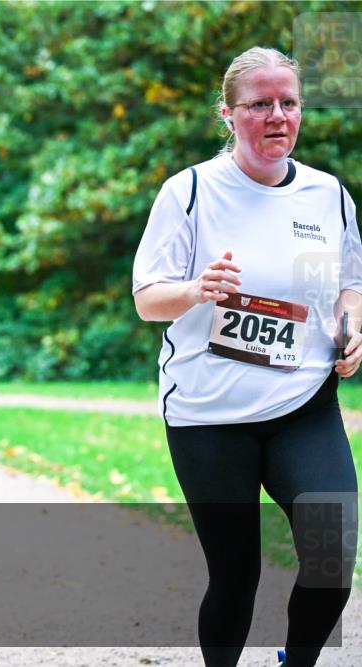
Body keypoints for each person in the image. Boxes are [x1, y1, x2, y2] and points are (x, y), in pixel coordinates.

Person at [132, 47, 361, 667]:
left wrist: (349, 327)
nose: (277, 116)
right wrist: (197, 289)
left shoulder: (328, 196)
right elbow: (149, 300)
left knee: (332, 555)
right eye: (260, 104)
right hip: (210, 415)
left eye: (288, 102)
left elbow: (349, 284)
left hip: (303, 405)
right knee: (235, 577)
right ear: (230, 115)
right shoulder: (191, 191)